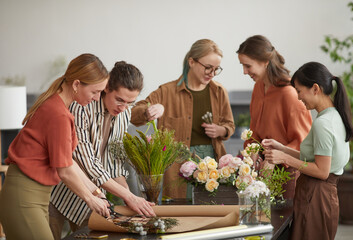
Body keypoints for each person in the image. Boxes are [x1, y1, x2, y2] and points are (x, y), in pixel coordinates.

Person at [0, 53, 111, 240]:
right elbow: (65, 171)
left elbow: (68, 162)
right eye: (94, 92)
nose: (97, 98)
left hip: (35, 197)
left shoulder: (58, 108)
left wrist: (96, 192)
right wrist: (91, 200)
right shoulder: (58, 114)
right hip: (25, 197)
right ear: (76, 84)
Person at [49, 61, 156, 239]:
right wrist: (129, 197)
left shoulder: (125, 114)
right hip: (59, 193)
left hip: (93, 199)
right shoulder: (81, 107)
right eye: (119, 100)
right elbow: (86, 162)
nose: (123, 108)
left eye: (130, 102)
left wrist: (133, 201)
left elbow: (113, 165)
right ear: (106, 88)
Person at [131, 39, 235, 199]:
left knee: (208, 208)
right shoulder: (166, 91)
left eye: (216, 69)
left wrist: (221, 130)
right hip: (175, 166)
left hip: (210, 162)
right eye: (208, 68)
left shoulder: (219, 92)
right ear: (192, 62)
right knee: (178, 208)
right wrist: (148, 112)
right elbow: (134, 113)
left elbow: (229, 125)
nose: (212, 74)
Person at [263, 62, 353, 240]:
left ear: (315, 88)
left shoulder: (323, 123)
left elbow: (321, 171)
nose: (298, 97)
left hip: (315, 197)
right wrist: (282, 148)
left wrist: (285, 159)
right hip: (322, 195)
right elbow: (315, 159)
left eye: (299, 91)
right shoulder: (334, 115)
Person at [236, 35, 312, 199]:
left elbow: (304, 143)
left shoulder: (290, 93)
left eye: (248, 66)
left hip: (288, 175)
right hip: (262, 173)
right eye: (242, 66)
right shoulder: (258, 87)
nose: (244, 72)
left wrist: (275, 158)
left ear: (265, 62)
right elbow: (254, 131)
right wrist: (253, 151)